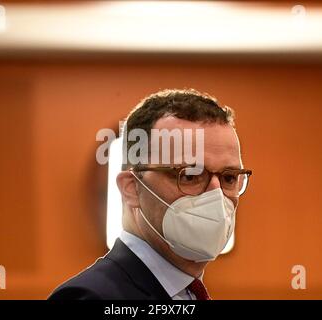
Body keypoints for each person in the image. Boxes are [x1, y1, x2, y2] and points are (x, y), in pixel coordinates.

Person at [48, 88, 252, 300]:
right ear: (132, 188)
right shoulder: (89, 298)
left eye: (229, 178)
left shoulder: (188, 294)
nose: (216, 195)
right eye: (190, 176)